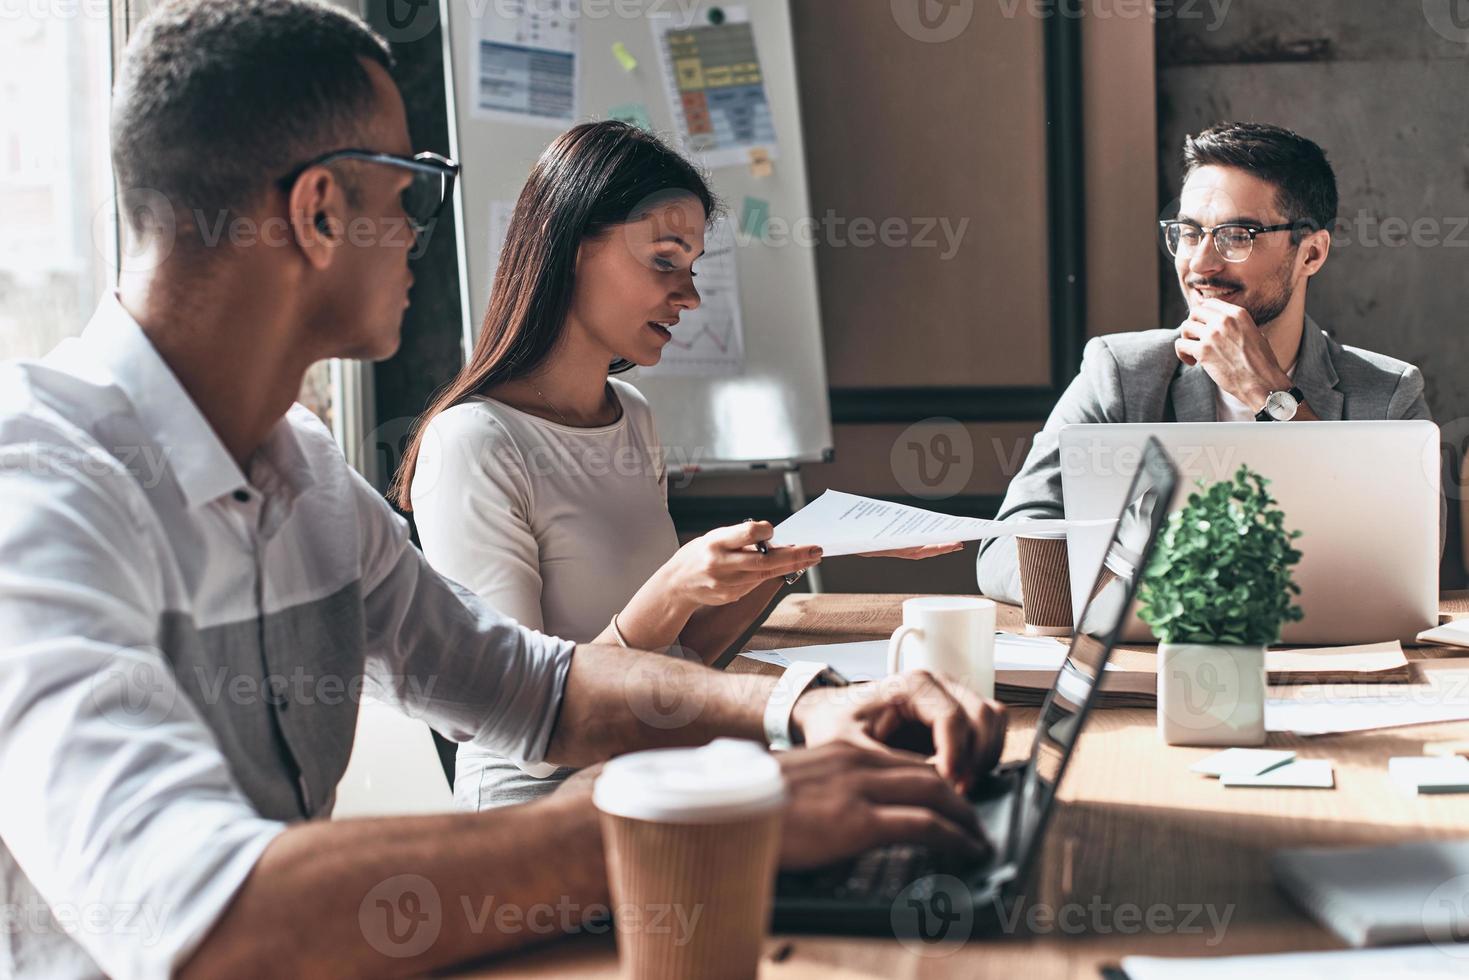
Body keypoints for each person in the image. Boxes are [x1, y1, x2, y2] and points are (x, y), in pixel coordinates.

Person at [0, 2, 1007, 976]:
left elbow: (538, 687)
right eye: (409, 186)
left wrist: (807, 707)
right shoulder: (38, 496)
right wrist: (709, 804)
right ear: (316, 213)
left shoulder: (303, 470)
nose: (419, 228)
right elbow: (203, 924)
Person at [393, 120, 960, 809]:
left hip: (657, 781)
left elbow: (678, 660)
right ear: (571, 247)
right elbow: (522, 728)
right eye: (664, 262)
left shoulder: (630, 415)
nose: (688, 296)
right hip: (539, 817)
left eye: (691, 269)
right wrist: (674, 587)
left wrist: (795, 551)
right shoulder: (474, 444)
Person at [977, 121, 1434, 604]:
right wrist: (1178, 594)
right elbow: (1007, 549)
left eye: (1238, 235)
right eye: (1190, 232)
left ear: (1311, 253)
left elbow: (1404, 575)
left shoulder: (1388, 395)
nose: (1201, 264)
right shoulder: (1120, 374)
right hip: (1154, 662)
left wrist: (1272, 398)